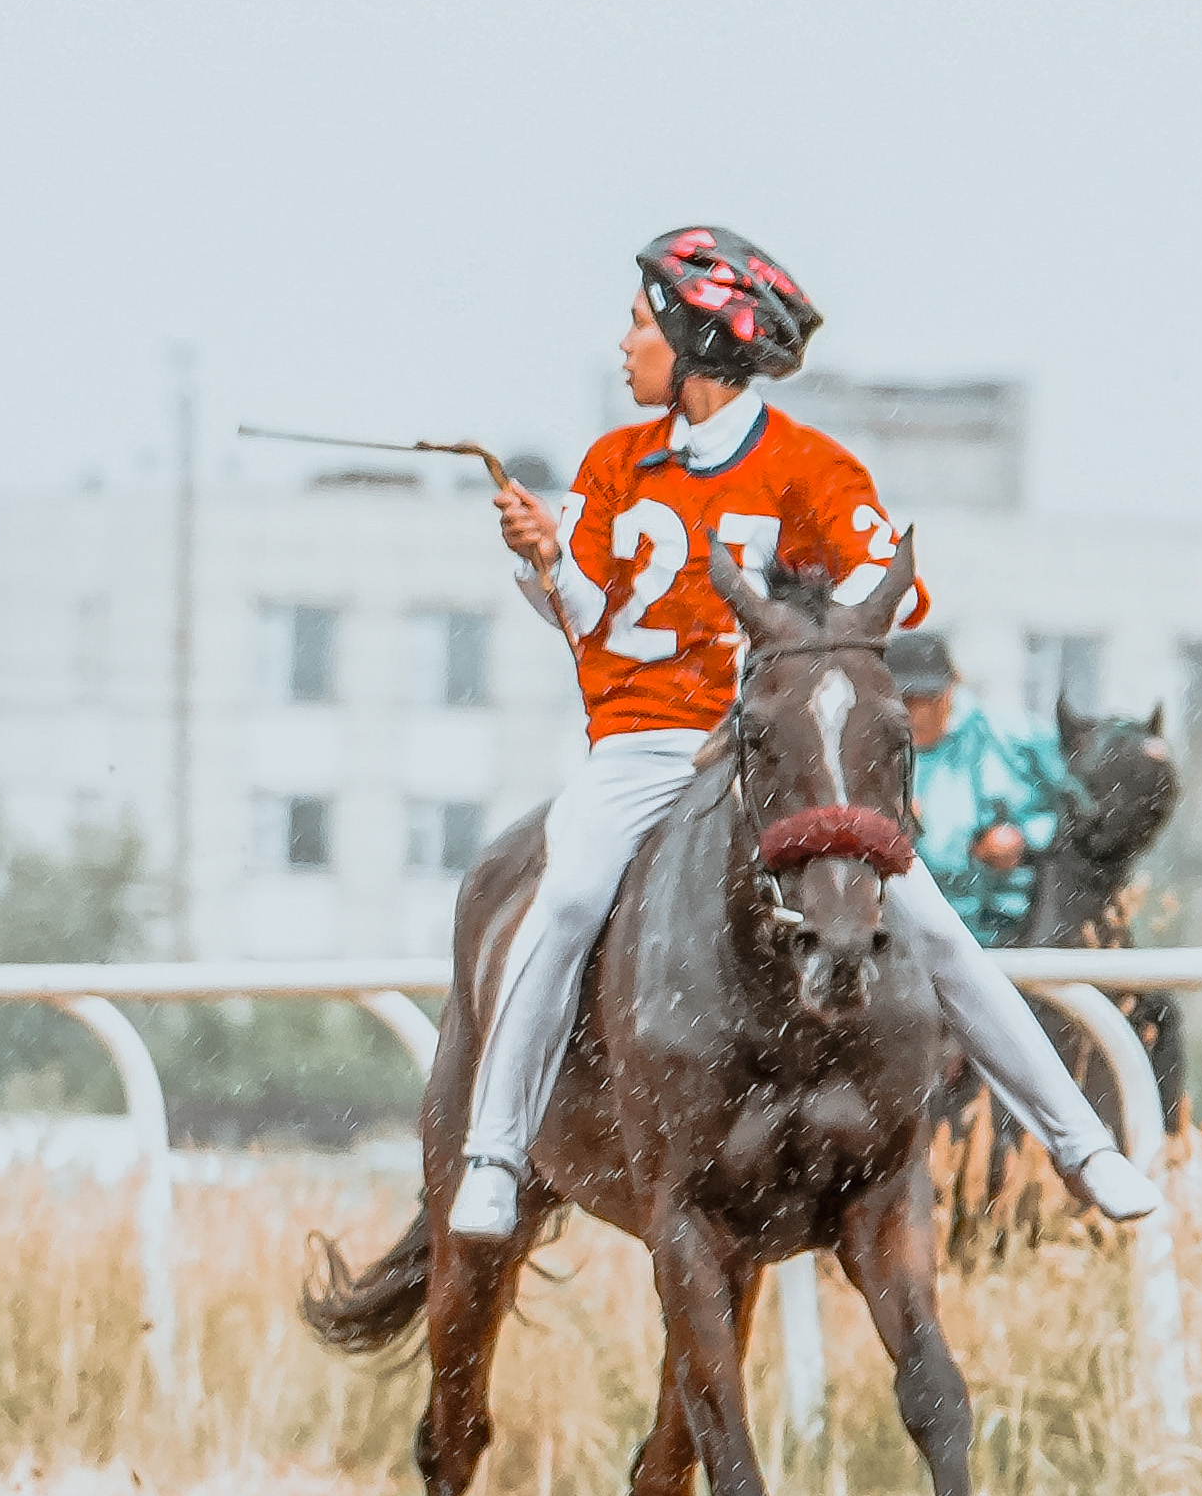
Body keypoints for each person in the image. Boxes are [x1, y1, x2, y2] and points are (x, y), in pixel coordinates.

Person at [449, 227, 1162, 1241]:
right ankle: (493, 1152)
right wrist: (542, 561)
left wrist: (840, 590)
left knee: (938, 932)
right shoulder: (613, 464)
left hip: (771, 753)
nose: (625, 346)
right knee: (562, 899)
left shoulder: (811, 468)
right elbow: (589, 618)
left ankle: (1082, 1144)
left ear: (696, 340)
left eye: (641, 325)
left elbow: (896, 598)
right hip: (642, 747)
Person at [888, 629, 1071, 948]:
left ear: (952, 687)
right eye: (904, 699)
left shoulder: (1015, 739)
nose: (915, 711)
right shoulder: (872, 755)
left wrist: (1026, 843)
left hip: (1016, 936)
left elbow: (1077, 812)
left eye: (926, 698)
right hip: (910, 939)